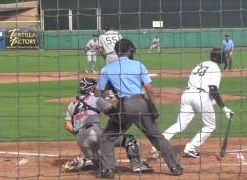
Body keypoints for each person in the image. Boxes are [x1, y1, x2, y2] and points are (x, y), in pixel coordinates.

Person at [96, 38, 183, 178]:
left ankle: (107, 170)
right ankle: (175, 167)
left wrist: (111, 90)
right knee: (155, 136)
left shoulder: (107, 68)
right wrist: (152, 107)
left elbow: (98, 93)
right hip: (142, 103)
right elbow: (149, 89)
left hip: (124, 105)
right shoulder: (138, 65)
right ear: (130, 50)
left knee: (107, 137)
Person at [151, 48, 234, 158]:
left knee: (180, 124)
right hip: (201, 96)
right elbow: (213, 88)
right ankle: (190, 148)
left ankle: (157, 145)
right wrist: (223, 108)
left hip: (187, 95)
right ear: (220, 58)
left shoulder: (200, 64)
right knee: (210, 126)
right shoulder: (215, 69)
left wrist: (211, 101)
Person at [62, 77, 153, 173]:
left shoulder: (72, 104)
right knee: (129, 140)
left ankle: (82, 162)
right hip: (95, 132)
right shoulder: (97, 99)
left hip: (81, 139)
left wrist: (79, 133)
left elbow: (67, 124)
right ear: (91, 88)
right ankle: (137, 165)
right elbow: (114, 114)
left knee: (98, 163)